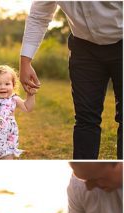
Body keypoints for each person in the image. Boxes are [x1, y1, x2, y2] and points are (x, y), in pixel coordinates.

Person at [20, 1, 123, 159]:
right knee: (85, 118)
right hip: (84, 48)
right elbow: (38, 17)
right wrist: (25, 62)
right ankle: (85, 178)